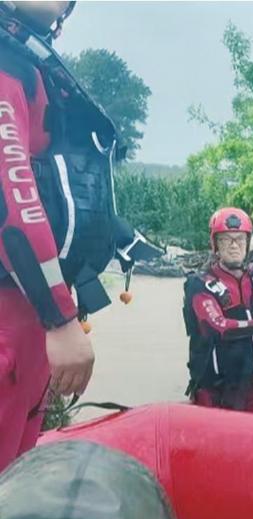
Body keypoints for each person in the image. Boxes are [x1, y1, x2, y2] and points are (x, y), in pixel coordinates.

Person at [0, 1, 138, 472]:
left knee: (13, 486)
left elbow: (51, 184)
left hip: (30, 312)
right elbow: (10, 195)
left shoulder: (33, 63)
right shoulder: (6, 66)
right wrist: (58, 318)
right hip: (16, 310)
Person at [183, 207, 253, 412]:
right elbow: (218, 327)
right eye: (225, 240)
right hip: (215, 390)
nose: (233, 246)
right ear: (215, 245)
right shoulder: (200, 285)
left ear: (247, 244)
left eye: (239, 239)